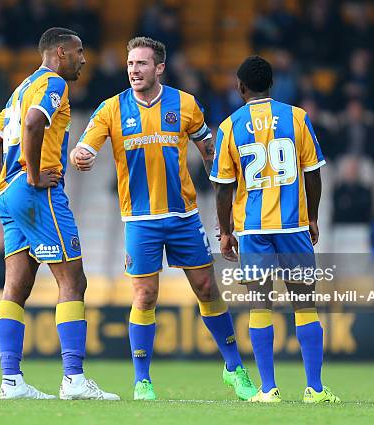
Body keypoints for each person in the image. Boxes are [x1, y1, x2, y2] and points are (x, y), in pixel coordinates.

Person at [71, 37, 256, 401]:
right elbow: (86, 144)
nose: (134, 71)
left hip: (184, 216)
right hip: (140, 220)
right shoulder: (111, 109)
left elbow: (209, 151)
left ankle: (234, 368)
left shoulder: (184, 104)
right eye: (130, 64)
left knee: (206, 288)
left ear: (158, 68)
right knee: (145, 295)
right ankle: (143, 380)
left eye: (141, 64)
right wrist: (81, 154)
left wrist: (225, 200)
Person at [0, 27, 119, 401]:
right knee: (73, 280)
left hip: (9, 193)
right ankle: (73, 379)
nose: (84, 59)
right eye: (79, 52)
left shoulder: (20, 90)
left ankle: (12, 381)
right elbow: (34, 123)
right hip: (36, 192)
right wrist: (35, 173)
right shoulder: (53, 83)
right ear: (60, 53)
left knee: (16, 286)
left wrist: (3, 180)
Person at [210, 55, 340, 403]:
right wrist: (312, 217)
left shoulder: (229, 126)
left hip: (253, 231)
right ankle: (314, 388)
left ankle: (268, 389)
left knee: (260, 307)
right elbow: (313, 173)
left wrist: (225, 231)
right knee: (306, 305)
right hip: (293, 226)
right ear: (272, 85)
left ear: (241, 87)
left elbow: (223, 186)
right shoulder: (297, 117)